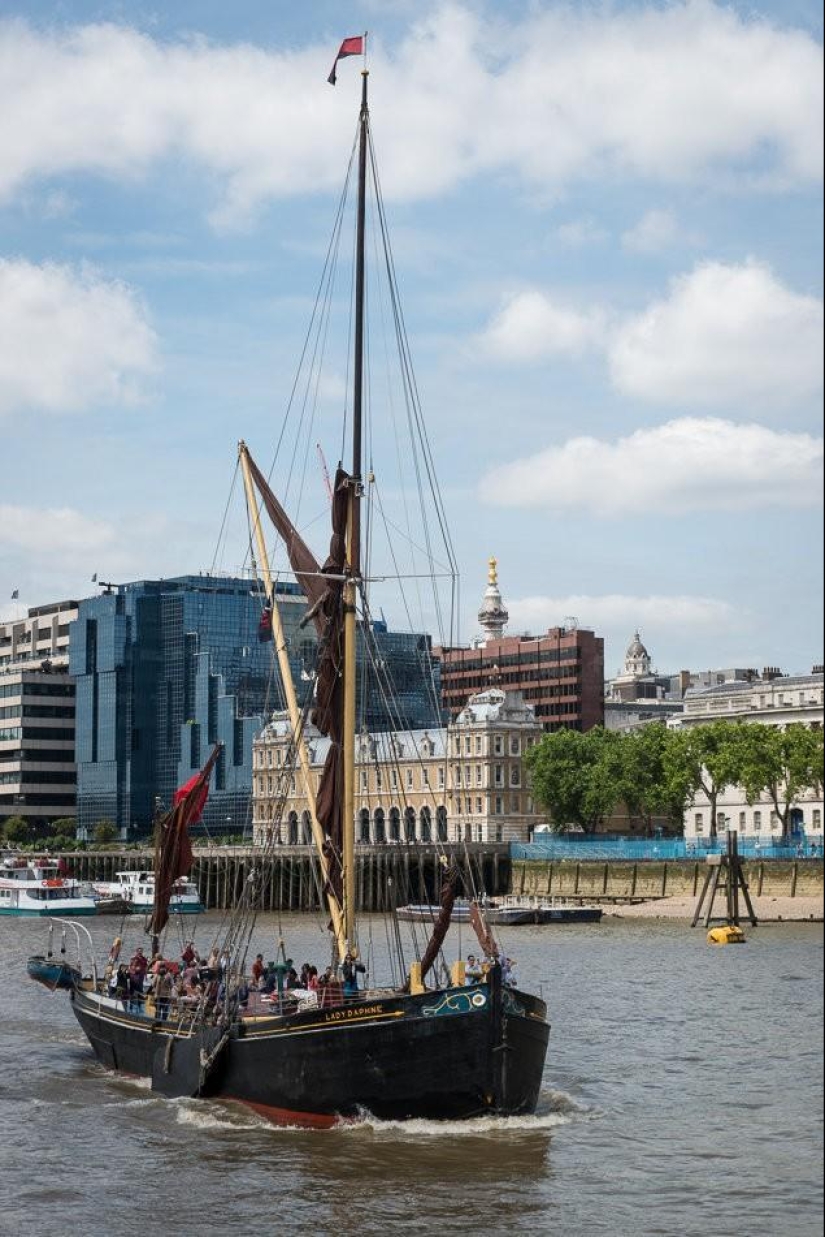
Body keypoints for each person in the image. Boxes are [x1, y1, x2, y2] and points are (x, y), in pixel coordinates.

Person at [128, 945, 149, 1011]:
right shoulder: (133, 959)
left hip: (140, 977)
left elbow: (145, 968)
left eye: (141, 951)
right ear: (136, 952)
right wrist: (135, 969)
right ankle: (131, 1006)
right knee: (132, 992)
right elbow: (130, 967)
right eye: (139, 951)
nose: (140, 952)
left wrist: (145, 975)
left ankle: (139, 1006)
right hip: (134, 977)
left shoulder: (144, 959)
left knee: (140, 991)